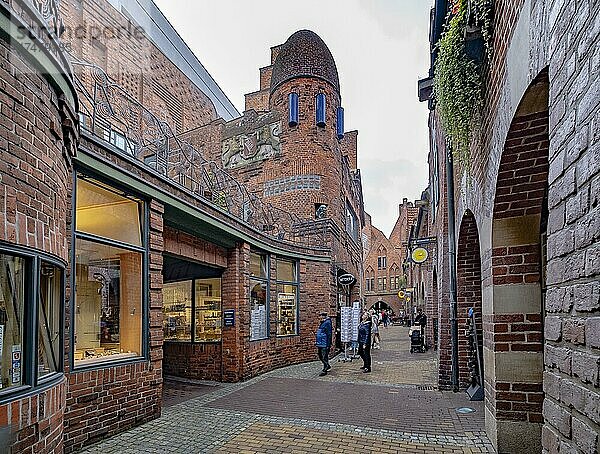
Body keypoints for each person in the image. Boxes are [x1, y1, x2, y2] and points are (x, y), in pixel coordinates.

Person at [315, 311, 332, 376]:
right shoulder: (323, 322)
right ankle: (327, 365)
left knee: (324, 356)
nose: (319, 317)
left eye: (320, 316)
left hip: (324, 343)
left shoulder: (327, 323)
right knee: (320, 355)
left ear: (323, 316)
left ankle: (325, 369)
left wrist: (328, 344)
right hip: (320, 342)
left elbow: (329, 334)